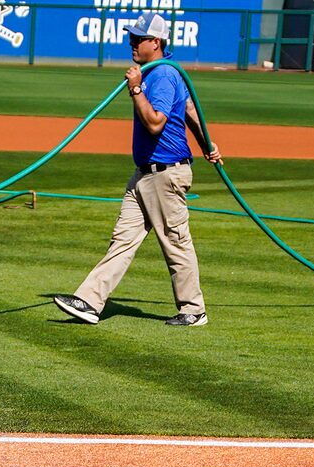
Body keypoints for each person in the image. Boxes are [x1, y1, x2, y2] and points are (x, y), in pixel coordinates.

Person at [53, 14, 219, 328]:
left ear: (155, 43)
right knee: (123, 240)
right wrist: (207, 143)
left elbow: (156, 123)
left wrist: (135, 90)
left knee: (175, 241)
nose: (132, 42)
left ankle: (194, 310)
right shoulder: (158, 71)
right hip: (144, 174)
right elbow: (190, 111)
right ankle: (90, 302)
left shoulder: (164, 74)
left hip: (165, 173)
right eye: (132, 37)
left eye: (138, 38)